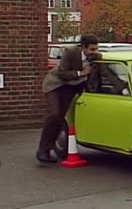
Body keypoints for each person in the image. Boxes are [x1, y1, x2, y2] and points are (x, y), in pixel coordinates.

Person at [36, 34, 100, 163]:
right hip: (56, 85)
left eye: (96, 49)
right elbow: (62, 73)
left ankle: (51, 148)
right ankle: (42, 150)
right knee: (54, 115)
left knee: (60, 118)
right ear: (83, 47)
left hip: (71, 88)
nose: (95, 52)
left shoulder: (95, 57)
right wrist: (81, 73)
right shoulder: (70, 52)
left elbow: (106, 72)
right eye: (92, 49)